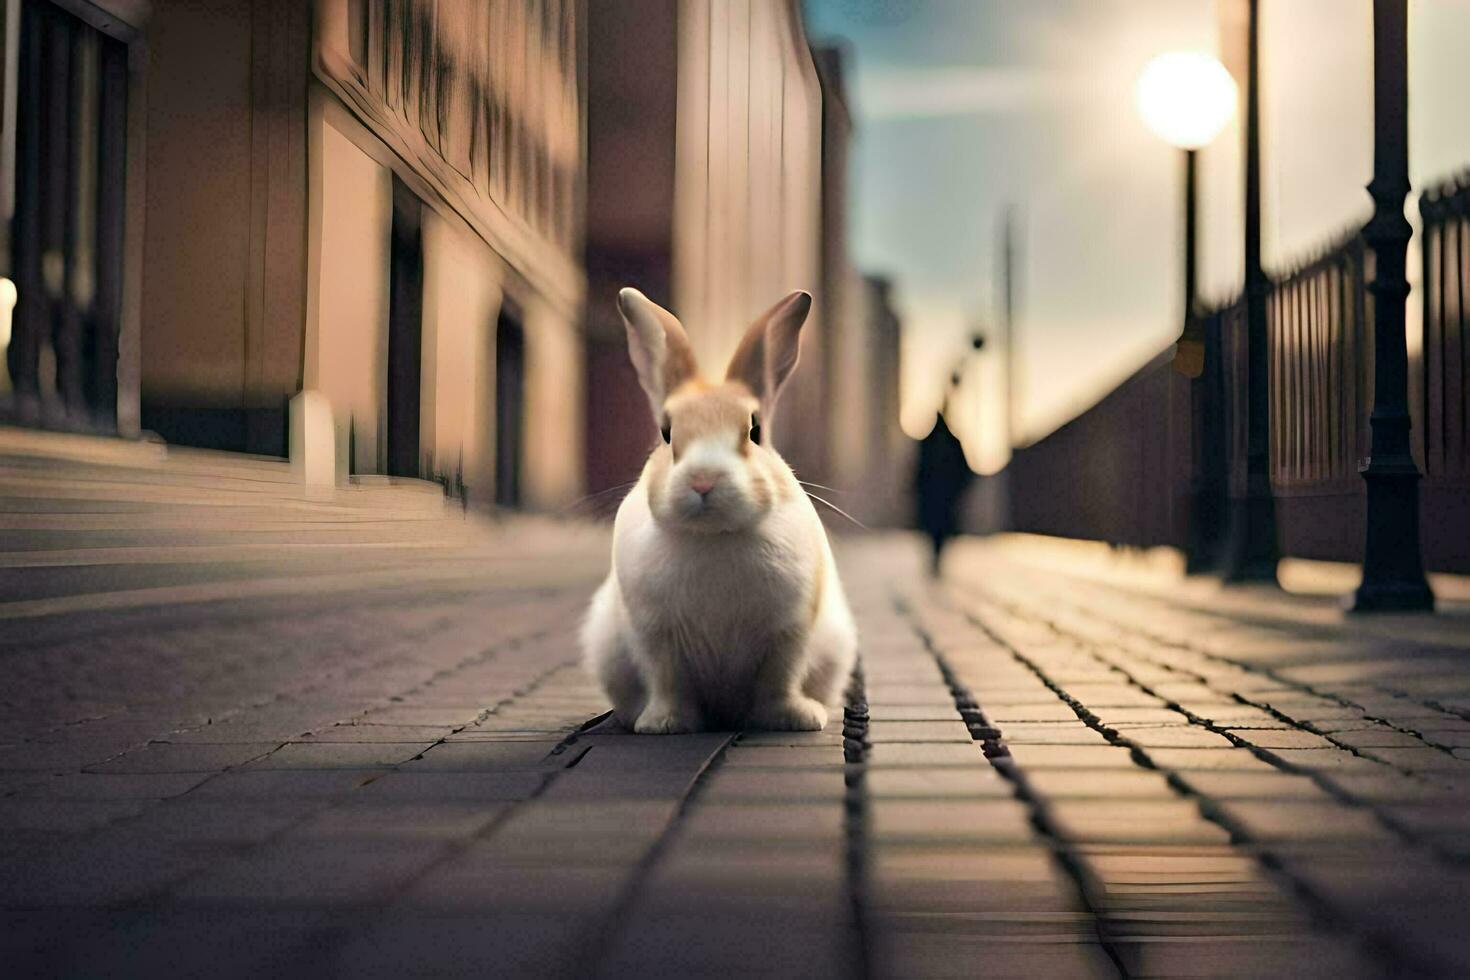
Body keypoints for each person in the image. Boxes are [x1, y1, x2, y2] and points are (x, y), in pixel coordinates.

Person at [914, 399, 974, 576]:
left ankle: (936, 559)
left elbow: (918, 469)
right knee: (938, 529)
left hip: (938, 496)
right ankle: (936, 559)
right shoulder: (946, 442)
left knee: (936, 528)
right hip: (940, 496)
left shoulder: (931, 443)